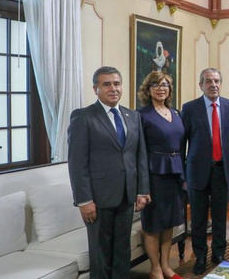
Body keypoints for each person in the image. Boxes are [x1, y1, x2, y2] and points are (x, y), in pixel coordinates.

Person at [68, 66, 150, 279]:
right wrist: (84, 200)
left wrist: (142, 190)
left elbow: (140, 157)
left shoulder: (133, 116)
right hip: (98, 199)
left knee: (122, 250)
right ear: (96, 89)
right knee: (101, 253)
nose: (113, 88)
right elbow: (77, 164)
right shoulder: (83, 117)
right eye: (106, 84)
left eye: (116, 83)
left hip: (126, 195)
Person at [181, 68, 229, 275]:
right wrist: (183, 173)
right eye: (208, 81)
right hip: (196, 171)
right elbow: (182, 143)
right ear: (201, 85)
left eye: (216, 81)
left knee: (220, 216)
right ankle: (200, 256)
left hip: (221, 170)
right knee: (197, 218)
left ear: (221, 84)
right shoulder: (189, 108)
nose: (213, 85)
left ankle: (218, 253)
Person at [137, 71, 184, 279]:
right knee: (153, 223)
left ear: (170, 89)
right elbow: (138, 151)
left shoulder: (176, 113)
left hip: (175, 173)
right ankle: (154, 267)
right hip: (154, 173)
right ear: (148, 90)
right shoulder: (141, 115)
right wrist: (142, 185)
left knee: (169, 222)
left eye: (165, 85)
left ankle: (166, 265)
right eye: (155, 85)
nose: (161, 88)